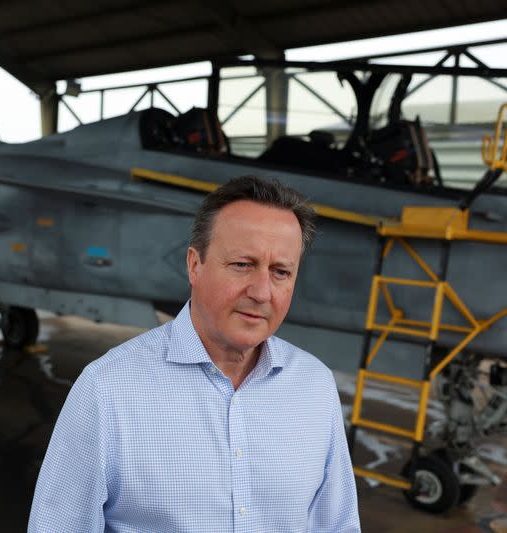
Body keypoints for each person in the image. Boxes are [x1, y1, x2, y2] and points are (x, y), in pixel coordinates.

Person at [28, 176, 360, 532]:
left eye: (280, 272)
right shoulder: (107, 390)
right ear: (194, 265)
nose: (262, 292)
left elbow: (336, 525)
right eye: (242, 265)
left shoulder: (314, 386)